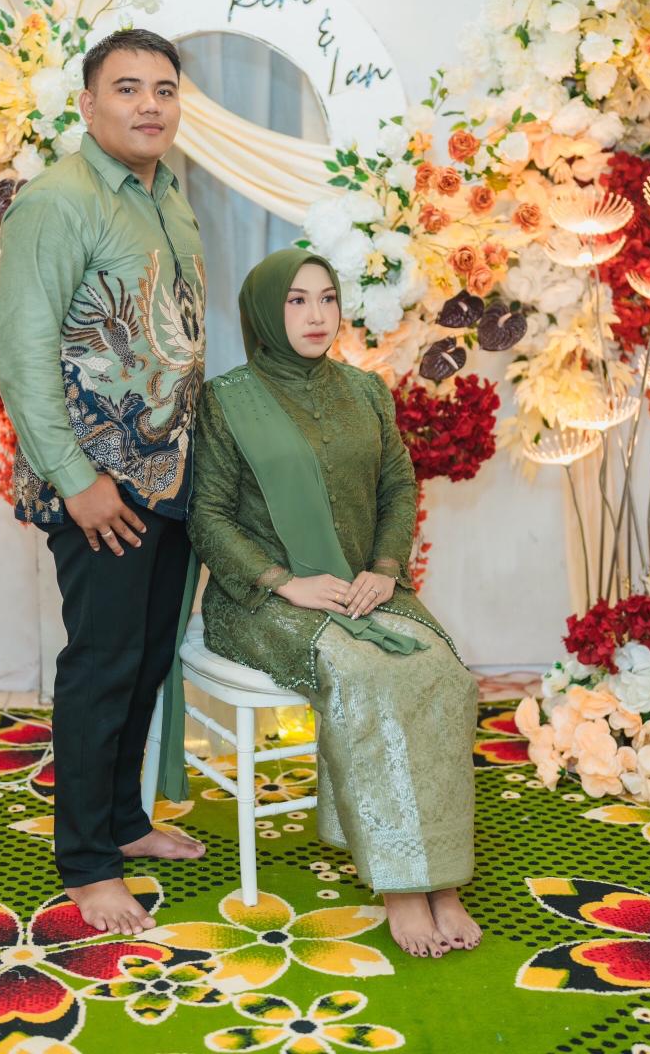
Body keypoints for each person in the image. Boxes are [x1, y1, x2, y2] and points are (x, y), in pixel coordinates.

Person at [187, 248, 481, 959]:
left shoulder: (366, 391)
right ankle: (403, 883)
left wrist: (385, 569)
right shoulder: (227, 400)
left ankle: (443, 877)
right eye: (296, 300)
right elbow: (207, 515)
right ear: (265, 312)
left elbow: (398, 488)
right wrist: (282, 581)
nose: (316, 315)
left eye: (326, 298)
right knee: (367, 673)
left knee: (444, 673)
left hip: (361, 585)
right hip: (260, 598)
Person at [0, 28, 206, 938]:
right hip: (96, 488)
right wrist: (76, 480)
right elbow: (20, 353)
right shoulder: (57, 202)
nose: (149, 104)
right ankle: (87, 865)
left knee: (146, 658)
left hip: (169, 476)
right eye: (127, 87)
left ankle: (122, 820)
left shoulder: (169, 196)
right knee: (102, 665)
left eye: (164, 88)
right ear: (87, 104)